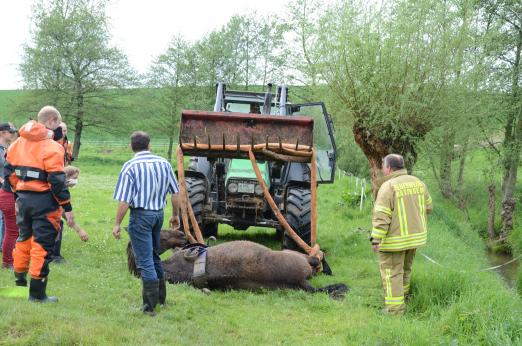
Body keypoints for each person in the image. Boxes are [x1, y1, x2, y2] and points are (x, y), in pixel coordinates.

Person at [5, 106, 75, 303]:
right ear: (52, 121)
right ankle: (37, 294)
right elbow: (57, 182)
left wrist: (19, 191)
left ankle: (20, 281)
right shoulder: (53, 147)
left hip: (24, 199)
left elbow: (8, 173)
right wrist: (67, 207)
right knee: (42, 246)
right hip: (45, 202)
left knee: (23, 239)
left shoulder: (17, 143)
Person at [112, 131, 180, 316]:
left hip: (140, 216)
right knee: (154, 256)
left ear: (131, 146)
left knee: (145, 261)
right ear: (149, 145)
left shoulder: (130, 166)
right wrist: (175, 215)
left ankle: (149, 307)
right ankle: (160, 300)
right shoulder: (164, 164)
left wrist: (117, 223)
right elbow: (175, 193)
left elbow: (125, 201)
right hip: (158, 215)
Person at [370, 154, 432, 315]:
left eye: (384, 166)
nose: (383, 169)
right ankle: (404, 298)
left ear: (389, 168)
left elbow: (381, 216)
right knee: (406, 270)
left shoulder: (388, 186)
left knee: (392, 274)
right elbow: (429, 207)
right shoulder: (419, 183)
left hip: (394, 242)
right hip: (415, 239)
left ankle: (395, 311)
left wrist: (376, 239)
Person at [52, 166, 88, 263]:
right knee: (58, 225)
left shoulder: (63, 189)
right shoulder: (59, 190)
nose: (76, 181)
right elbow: (64, 213)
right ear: (66, 177)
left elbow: (65, 213)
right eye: (75, 178)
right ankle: (54, 256)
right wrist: (79, 230)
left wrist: (80, 230)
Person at [0, 122, 18, 268]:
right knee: (8, 226)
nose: (12, 134)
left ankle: (7, 254)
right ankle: (7, 260)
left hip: (7, 188)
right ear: (2, 132)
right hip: (5, 189)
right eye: (10, 132)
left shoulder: (9, 148)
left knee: (7, 225)